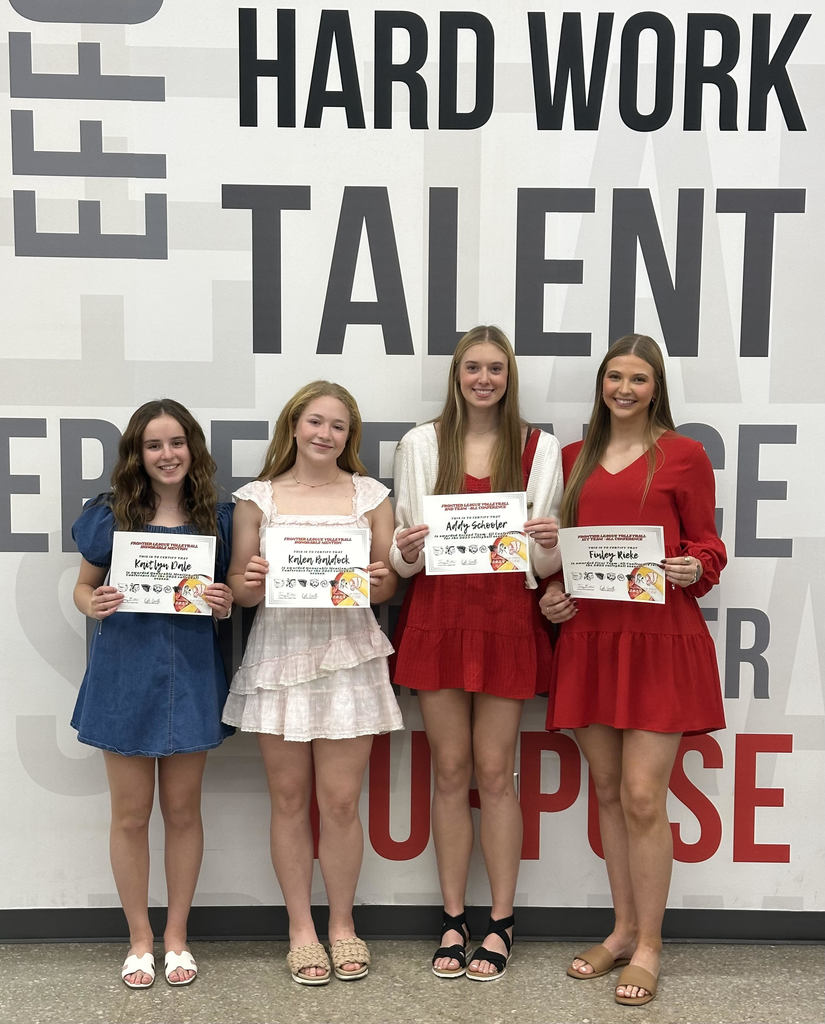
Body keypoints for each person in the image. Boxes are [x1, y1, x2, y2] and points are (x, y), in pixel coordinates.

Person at [540, 334, 726, 1007]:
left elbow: (707, 544)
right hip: (589, 640)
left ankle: (650, 943)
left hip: (656, 642)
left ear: (655, 389)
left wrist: (692, 566)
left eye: (637, 379)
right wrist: (551, 597)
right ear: (600, 385)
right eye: (613, 377)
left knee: (645, 797)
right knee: (611, 793)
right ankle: (620, 931)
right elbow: (562, 557)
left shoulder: (683, 455)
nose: (623, 389)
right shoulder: (571, 459)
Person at [390, 325, 563, 981]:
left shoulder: (538, 448)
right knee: (447, 771)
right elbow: (405, 559)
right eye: (472, 368)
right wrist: (402, 554)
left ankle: (501, 919)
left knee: (495, 775)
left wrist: (547, 541)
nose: (483, 378)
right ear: (456, 375)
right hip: (438, 613)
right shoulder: (419, 443)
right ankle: (453, 918)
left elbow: (542, 561)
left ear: (508, 375)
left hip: (504, 618)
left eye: (494, 368)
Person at [222, 381, 402, 986]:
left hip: (349, 653)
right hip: (280, 652)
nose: (326, 435)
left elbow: (384, 587)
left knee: (343, 803)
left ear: (350, 438)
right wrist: (252, 576)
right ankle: (301, 928)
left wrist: (378, 579)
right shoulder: (256, 499)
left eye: (340, 427)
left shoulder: (372, 496)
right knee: (290, 801)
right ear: (293, 425)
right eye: (316, 422)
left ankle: (343, 924)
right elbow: (241, 592)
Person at [71, 399, 234, 989]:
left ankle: (176, 937)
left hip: (190, 675)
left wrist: (225, 601)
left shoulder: (219, 515)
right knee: (130, 815)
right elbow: (84, 589)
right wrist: (94, 603)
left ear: (193, 448)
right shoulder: (110, 515)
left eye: (176, 443)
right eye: (153, 445)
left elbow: (234, 588)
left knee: (184, 811)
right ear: (137, 455)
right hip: (124, 676)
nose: (167, 455)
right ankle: (139, 937)